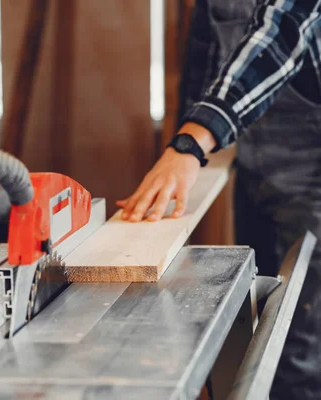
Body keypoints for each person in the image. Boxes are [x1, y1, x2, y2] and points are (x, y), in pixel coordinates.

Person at [118, 0, 321, 398]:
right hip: (254, 163)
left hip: (313, 171)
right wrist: (180, 157)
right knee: (256, 323)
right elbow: (207, 60)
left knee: (298, 349)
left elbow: (277, 34)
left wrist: (191, 143)